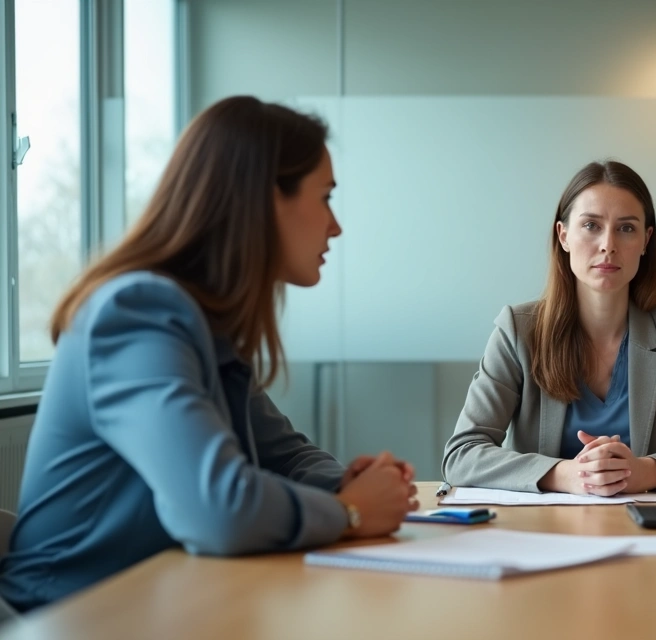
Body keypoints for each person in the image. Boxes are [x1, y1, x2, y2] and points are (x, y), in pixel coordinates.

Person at [0, 97, 419, 612]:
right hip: (72, 614)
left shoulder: (203, 322)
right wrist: (349, 511)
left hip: (159, 599)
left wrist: (345, 481)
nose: (336, 226)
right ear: (266, 199)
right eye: (326, 197)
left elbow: (281, 453)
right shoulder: (139, 314)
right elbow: (217, 510)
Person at [443, 160, 656, 495]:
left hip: (655, 534)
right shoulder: (517, 331)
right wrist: (567, 475)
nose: (608, 245)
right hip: (543, 533)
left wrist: (645, 472)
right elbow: (462, 455)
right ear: (563, 236)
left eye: (626, 228)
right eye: (591, 226)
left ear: (646, 240)